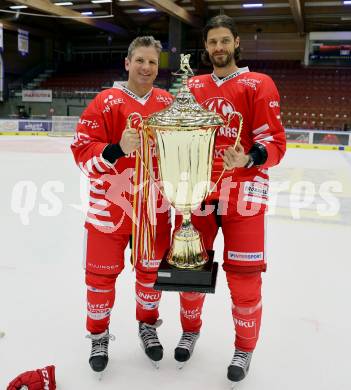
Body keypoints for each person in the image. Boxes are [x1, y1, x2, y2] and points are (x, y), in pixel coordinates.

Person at [183, 15, 286, 384]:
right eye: (212, 42)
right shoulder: (192, 85)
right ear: (206, 46)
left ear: (237, 42)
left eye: (225, 40)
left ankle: (244, 346)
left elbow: (275, 142)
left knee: (244, 278)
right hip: (199, 191)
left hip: (245, 192)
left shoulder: (258, 83)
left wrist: (250, 157)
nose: (218, 48)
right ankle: (189, 330)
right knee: (189, 266)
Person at [71, 36, 176, 373]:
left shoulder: (168, 102)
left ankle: (148, 326)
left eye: (153, 62)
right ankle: (98, 335)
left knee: (150, 275)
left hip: (154, 210)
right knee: (100, 278)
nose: (147, 67)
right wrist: (115, 149)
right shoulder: (105, 101)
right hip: (109, 211)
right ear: (127, 63)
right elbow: (81, 152)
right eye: (141, 60)